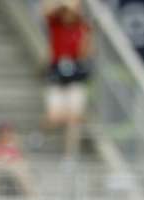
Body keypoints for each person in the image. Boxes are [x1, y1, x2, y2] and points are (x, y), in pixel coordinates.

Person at [43, 0, 91, 158]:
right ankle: (44, 142)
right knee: (54, 117)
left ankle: (70, 156)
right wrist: (62, 5)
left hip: (75, 75)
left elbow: (85, 52)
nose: (68, 15)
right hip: (57, 75)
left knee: (74, 121)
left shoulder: (81, 27)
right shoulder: (55, 24)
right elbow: (46, 11)